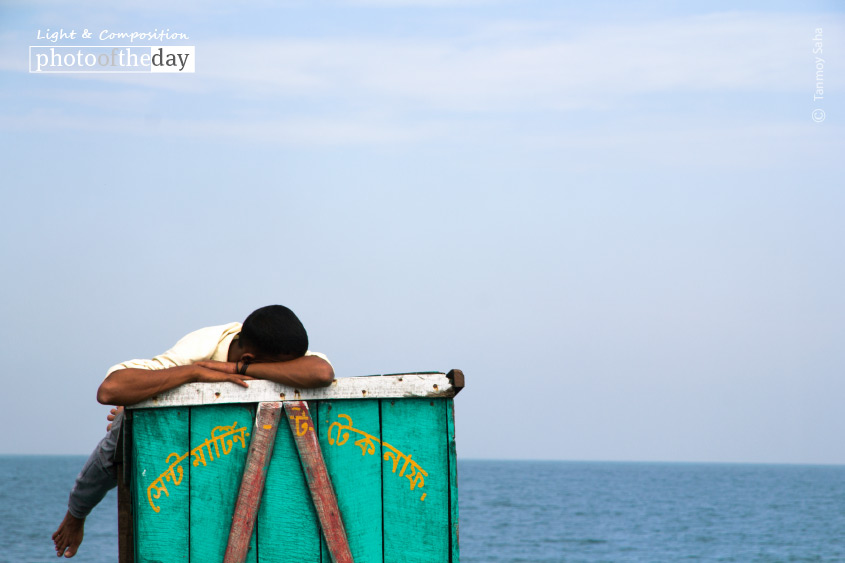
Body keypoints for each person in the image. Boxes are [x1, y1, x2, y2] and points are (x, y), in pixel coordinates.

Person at [52, 305, 334, 558]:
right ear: (249, 353)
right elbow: (111, 389)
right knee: (117, 438)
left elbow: (321, 373)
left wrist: (236, 368)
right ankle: (76, 513)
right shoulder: (201, 346)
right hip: (178, 435)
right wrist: (194, 374)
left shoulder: (277, 348)